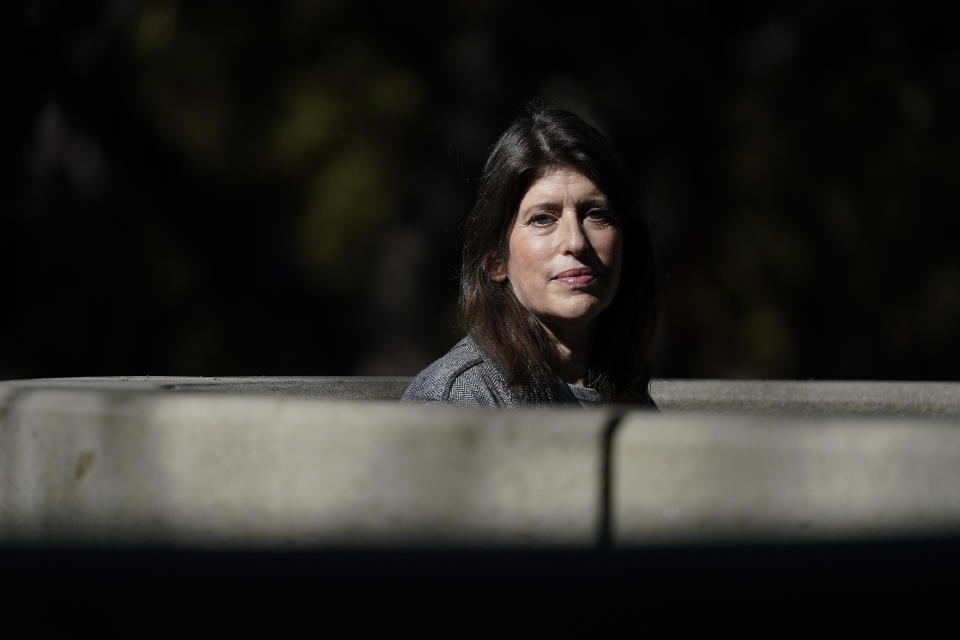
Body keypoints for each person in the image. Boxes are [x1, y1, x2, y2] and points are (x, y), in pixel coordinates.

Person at [403, 102, 658, 406]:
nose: (576, 242)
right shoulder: (461, 398)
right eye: (542, 218)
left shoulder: (624, 384)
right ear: (495, 260)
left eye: (596, 214)